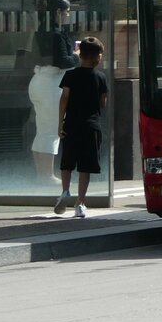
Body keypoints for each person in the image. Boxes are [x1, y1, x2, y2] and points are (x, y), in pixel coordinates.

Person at [53, 37, 108, 219]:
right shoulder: (100, 77)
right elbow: (103, 103)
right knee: (85, 167)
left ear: (80, 55)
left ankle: (65, 191)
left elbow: (64, 98)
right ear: (97, 57)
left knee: (67, 162)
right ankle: (80, 203)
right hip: (91, 126)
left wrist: (60, 122)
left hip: (71, 125)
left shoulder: (70, 75)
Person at [27, 0, 77, 181]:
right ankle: (47, 175)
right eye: (67, 12)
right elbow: (63, 61)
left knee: (43, 130)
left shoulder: (42, 31)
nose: (68, 15)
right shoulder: (55, 34)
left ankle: (42, 173)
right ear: (58, 12)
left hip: (40, 81)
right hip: (51, 84)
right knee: (51, 131)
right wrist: (78, 55)